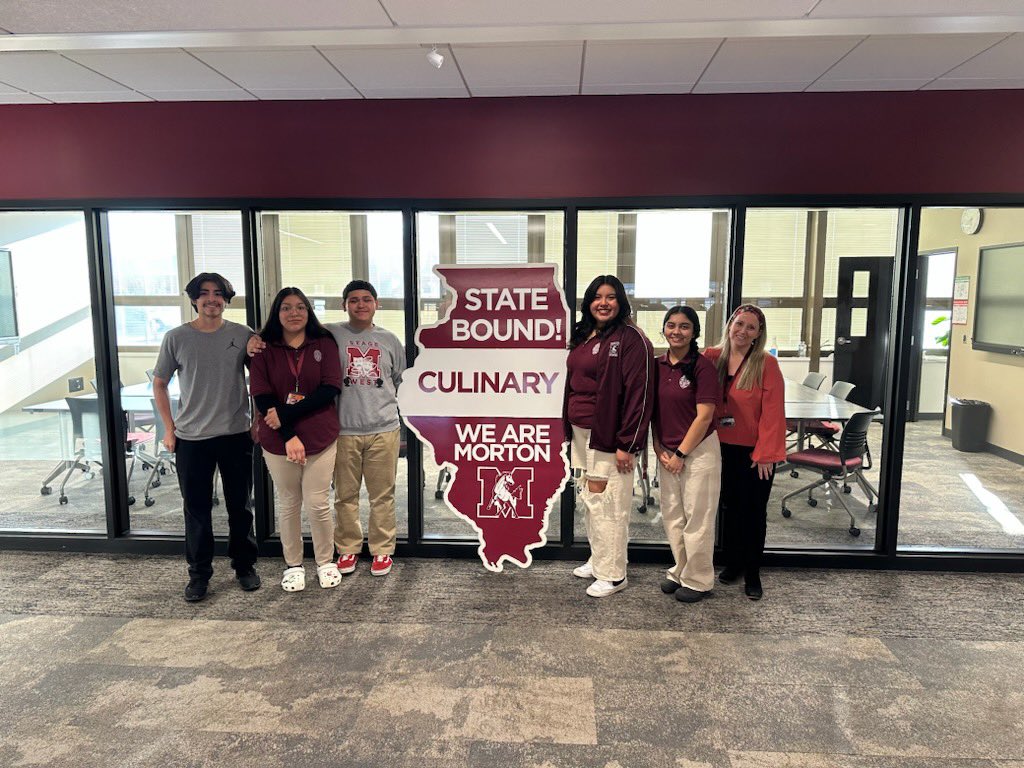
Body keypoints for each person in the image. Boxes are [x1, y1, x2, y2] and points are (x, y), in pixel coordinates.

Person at [153, 272, 260, 603]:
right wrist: (169, 429)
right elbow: (159, 383)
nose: (211, 299)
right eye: (204, 293)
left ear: (226, 299)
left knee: (240, 507)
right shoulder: (176, 337)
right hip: (191, 439)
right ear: (194, 299)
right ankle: (199, 574)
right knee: (196, 510)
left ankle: (244, 567)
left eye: (218, 293)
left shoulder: (243, 335)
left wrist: (256, 419)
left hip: (235, 434)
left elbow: (260, 379)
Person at [564, 275, 654, 598]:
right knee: (591, 500)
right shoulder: (585, 334)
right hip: (581, 432)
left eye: (611, 296)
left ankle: (614, 575)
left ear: (621, 301)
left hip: (610, 437)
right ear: (589, 302)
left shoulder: (631, 339)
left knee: (611, 502)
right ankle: (599, 559)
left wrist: (628, 444)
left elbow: (639, 395)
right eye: (597, 296)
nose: (604, 302)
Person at [249, 287, 343, 592]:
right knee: (289, 502)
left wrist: (287, 415)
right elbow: (261, 394)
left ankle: (325, 561)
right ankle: (293, 565)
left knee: (317, 503)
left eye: (300, 307)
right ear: (277, 313)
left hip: (320, 434)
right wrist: (287, 433)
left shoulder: (323, 343)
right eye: (287, 308)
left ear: (308, 311)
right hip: (277, 439)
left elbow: (330, 388)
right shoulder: (264, 348)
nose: (294, 313)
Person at [704, 304, 786, 601]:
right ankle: (733, 563)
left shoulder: (766, 364)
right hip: (717, 447)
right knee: (728, 509)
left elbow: (774, 413)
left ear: (758, 334)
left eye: (751, 327)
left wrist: (766, 454)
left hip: (753, 454)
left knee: (752, 513)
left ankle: (752, 572)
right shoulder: (711, 357)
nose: (743, 331)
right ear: (729, 325)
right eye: (739, 324)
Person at [329, 280, 406, 576]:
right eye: (353, 300)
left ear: (376, 304)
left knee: (382, 495)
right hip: (344, 429)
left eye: (366, 299)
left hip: (383, 428)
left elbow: (400, 381)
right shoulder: (332, 334)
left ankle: (382, 550)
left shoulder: (389, 340)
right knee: (345, 495)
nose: (360, 305)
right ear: (344, 305)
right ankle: (348, 548)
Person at [652, 306, 722, 603]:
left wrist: (681, 453)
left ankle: (699, 579)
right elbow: (652, 412)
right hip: (667, 451)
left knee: (698, 518)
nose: (676, 331)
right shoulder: (656, 365)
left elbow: (705, 416)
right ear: (664, 329)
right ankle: (680, 571)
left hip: (698, 451)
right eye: (671, 325)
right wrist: (658, 448)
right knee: (673, 516)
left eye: (684, 326)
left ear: (694, 332)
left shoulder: (702, 367)